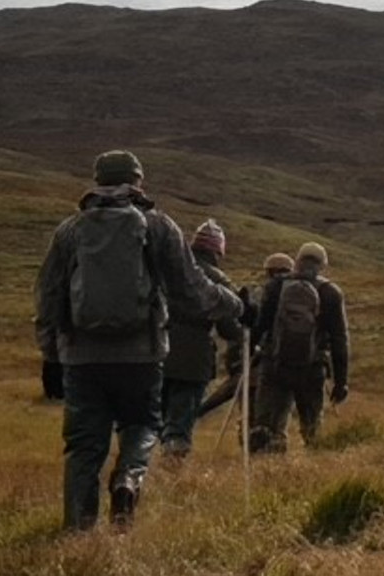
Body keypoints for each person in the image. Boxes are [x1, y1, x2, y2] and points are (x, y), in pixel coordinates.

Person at [34, 150, 252, 530]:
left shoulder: (70, 230)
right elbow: (193, 291)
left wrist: (51, 355)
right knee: (142, 426)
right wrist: (236, 305)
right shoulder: (159, 227)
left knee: (84, 446)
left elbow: (48, 296)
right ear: (138, 182)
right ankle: (128, 480)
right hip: (141, 355)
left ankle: (78, 533)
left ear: (97, 180)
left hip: (81, 359)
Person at [249, 242, 349, 453]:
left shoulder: (275, 287)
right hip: (312, 370)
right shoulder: (331, 293)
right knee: (312, 429)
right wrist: (341, 383)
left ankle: (266, 472)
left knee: (267, 426)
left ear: (297, 261)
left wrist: (249, 356)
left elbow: (260, 326)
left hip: (275, 366)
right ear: (322, 265)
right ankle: (314, 474)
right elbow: (340, 340)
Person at [160, 219, 243, 458]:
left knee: (156, 413)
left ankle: (143, 468)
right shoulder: (216, 279)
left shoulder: (168, 270)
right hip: (194, 357)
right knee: (181, 418)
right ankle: (172, 466)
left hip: (156, 348)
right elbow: (228, 328)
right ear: (218, 249)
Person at [197, 252, 294, 420]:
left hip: (257, 363)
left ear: (269, 271)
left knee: (248, 410)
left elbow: (247, 328)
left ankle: (250, 438)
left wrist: (244, 353)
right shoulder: (299, 294)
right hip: (289, 362)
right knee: (277, 411)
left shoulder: (261, 293)